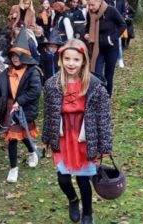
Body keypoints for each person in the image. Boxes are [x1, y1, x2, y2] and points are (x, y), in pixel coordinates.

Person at [42, 39, 113, 224]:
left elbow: (103, 117)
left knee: (83, 181)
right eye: (67, 59)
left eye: (75, 59)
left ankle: (87, 213)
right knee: (63, 179)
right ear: (61, 59)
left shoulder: (95, 86)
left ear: (83, 61)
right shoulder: (52, 84)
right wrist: (46, 137)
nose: (71, 63)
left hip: (84, 137)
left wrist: (105, 144)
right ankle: (73, 200)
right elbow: (48, 113)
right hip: (64, 136)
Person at [0, 29, 42, 183]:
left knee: (24, 135)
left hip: (24, 108)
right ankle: (13, 169)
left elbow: (35, 91)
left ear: (24, 57)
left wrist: (20, 101)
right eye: (13, 56)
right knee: (12, 138)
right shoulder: (6, 73)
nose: (15, 59)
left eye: (18, 56)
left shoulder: (32, 72)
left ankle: (32, 152)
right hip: (10, 109)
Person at [84, 0, 126, 97]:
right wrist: (86, 34)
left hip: (111, 49)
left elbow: (122, 24)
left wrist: (111, 39)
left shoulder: (111, 11)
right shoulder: (90, 13)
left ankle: (107, 97)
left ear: (99, 2)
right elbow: (88, 26)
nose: (90, 8)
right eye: (89, 5)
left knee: (108, 75)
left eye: (92, 5)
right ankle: (97, 96)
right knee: (96, 73)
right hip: (97, 49)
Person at [104, 0, 128, 68]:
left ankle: (120, 59)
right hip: (108, 23)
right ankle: (107, 59)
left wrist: (122, 18)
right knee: (107, 40)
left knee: (118, 42)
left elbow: (124, 10)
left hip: (118, 23)